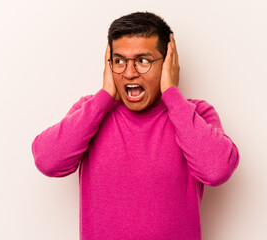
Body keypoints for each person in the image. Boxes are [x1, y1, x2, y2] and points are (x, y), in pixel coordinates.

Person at [31, 11, 240, 240]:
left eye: (142, 61)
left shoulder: (196, 114)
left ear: (168, 63)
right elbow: (47, 161)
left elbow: (217, 170)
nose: (129, 73)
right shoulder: (91, 112)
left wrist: (172, 94)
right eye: (119, 61)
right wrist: (104, 97)